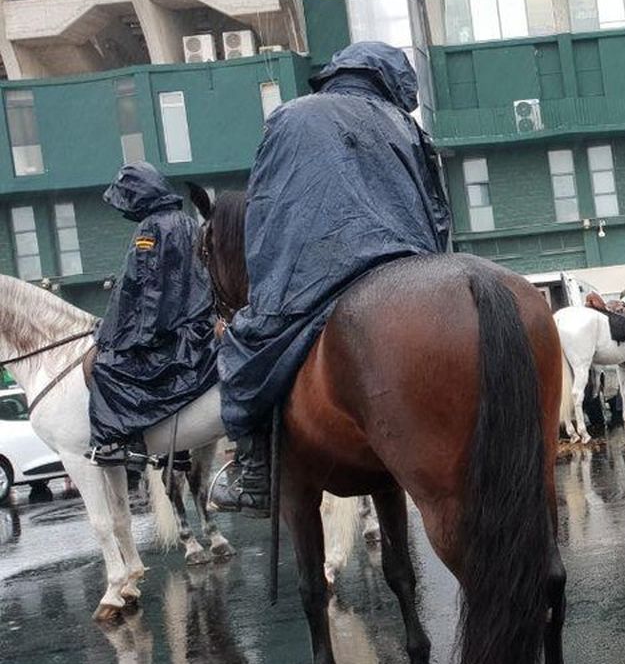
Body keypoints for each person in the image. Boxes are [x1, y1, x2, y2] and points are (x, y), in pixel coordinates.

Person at [212, 42, 451, 514]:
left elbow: (266, 214)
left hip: (319, 273)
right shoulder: (406, 127)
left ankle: (255, 474)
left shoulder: (292, 116)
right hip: (407, 267)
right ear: (392, 85)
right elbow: (437, 214)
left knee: (242, 352)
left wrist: (269, 292)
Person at [86, 162, 219, 467]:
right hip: (197, 327)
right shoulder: (185, 221)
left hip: (170, 331)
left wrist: (136, 335)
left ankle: (118, 445)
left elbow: (147, 286)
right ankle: (179, 450)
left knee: (107, 368)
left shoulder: (150, 228)